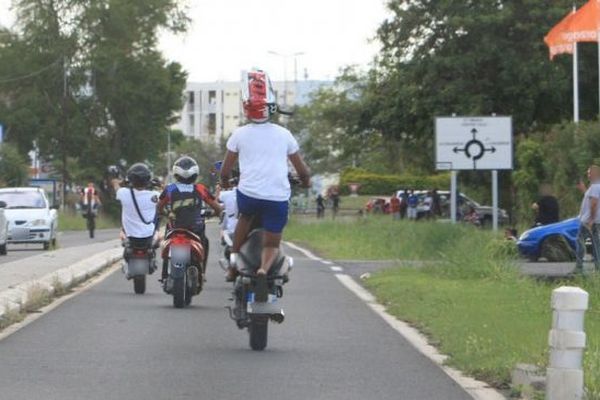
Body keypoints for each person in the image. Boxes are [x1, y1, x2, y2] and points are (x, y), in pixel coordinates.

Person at [220, 68, 310, 299]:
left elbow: (226, 170)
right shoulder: (284, 134)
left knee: (245, 218)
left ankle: (233, 263)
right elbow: (301, 169)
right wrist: (306, 181)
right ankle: (263, 269)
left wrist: (225, 181)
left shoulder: (239, 134)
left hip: (249, 196)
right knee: (272, 242)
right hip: (277, 199)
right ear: (271, 106)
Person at [157, 156, 223, 282]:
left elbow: (159, 207)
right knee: (205, 242)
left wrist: (167, 213)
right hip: (196, 229)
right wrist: (214, 213)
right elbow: (217, 208)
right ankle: (202, 272)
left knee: (166, 242)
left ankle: (164, 274)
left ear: (176, 173)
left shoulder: (170, 189)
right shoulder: (200, 189)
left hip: (174, 228)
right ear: (195, 173)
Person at [113, 163, 160, 270]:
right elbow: (168, 194)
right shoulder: (155, 196)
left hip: (130, 236)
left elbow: (115, 184)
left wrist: (122, 182)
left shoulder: (123, 193)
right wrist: (160, 184)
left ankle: (128, 265)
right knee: (158, 239)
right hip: (148, 237)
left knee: (124, 243)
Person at [575, 165, 600, 273]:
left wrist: (590, 220)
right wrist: (584, 189)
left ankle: (579, 267)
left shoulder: (595, 187)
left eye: (590, 173)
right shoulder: (596, 186)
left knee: (579, 241)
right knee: (596, 243)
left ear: (596, 174)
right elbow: (591, 200)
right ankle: (598, 267)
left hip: (589, 221)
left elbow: (594, 204)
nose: (588, 175)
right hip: (595, 220)